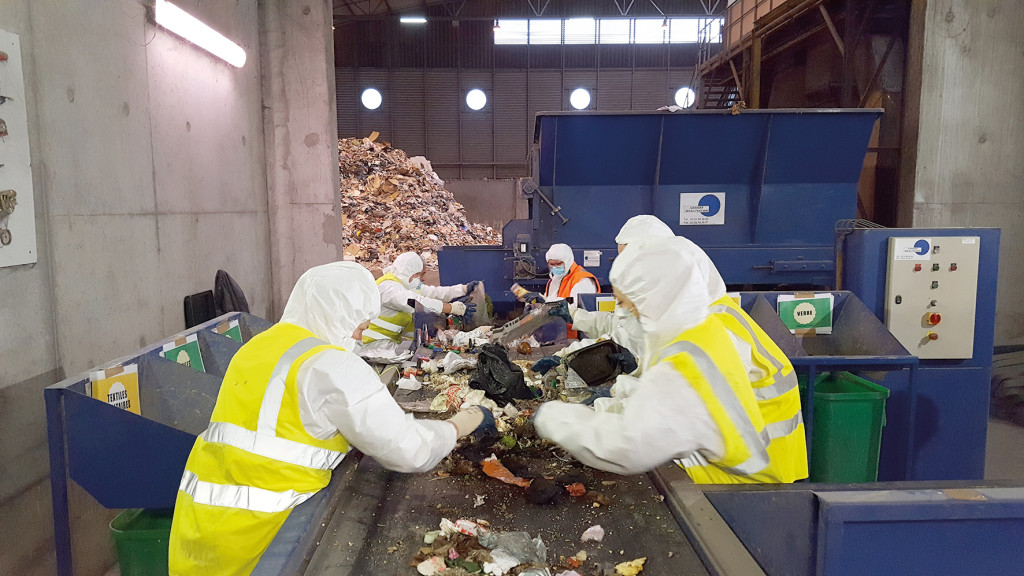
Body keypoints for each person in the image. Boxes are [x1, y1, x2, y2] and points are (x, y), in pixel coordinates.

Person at [168, 262, 495, 575]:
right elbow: (409, 451)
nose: (360, 337)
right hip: (260, 541)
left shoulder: (255, 348)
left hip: (196, 535)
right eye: (361, 325)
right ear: (340, 313)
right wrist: (461, 423)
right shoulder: (332, 366)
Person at [533, 239, 806, 483]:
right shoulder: (702, 323)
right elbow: (668, 400)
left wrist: (549, 417)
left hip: (738, 485)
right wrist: (611, 398)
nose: (630, 310)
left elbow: (630, 444)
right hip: (742, 468)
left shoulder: (698, 347)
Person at [545, 215, 674, 374]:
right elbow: (615, 328)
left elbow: (678, 372)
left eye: (628, 259)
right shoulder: (643, 291)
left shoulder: (678, 304)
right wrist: (565, 356)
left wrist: (638, 368)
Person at [361, 252, 480, 346]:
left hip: (386, 342)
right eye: (421, 274)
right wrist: (453, 308)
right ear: (412, 273)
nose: (423, 279)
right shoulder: (389, 288)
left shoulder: (406, 284)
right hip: (370, 344)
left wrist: (463, 289)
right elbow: (415, 302)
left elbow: (433, 293)